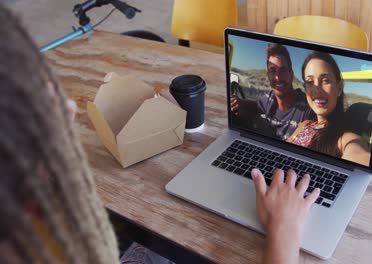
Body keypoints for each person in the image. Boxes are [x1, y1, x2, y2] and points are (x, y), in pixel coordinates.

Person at [0, 4, 319, 264]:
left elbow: (303, 130)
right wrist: (285, 232)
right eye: (43, 100)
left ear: (292, 75)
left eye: (282, 70)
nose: (68, 107)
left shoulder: (305, 111)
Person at [287, 51, 371, 166]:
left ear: (339, 87)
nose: (316, 89)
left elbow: (358, 154)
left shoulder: (344, 139)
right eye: (310, 82)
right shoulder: (305, 124)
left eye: (325, 80)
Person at [231, 43, 314, 141]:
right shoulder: (269, 99)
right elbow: (256, 106)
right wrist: (238, 103)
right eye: (272, 71)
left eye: (283, 70)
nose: (277, 78)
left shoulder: (307, 109)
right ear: (268, 75)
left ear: (291, 75)